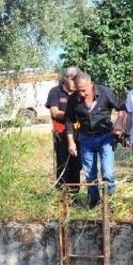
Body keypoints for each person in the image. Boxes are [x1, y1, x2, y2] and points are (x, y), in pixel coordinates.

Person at [65, 72, 126, 208]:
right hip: (86, 138)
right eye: (77, 90)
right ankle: (94, 202)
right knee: (90, 174)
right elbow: (69, 121)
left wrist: (119, 122)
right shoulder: (73, 99)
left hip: (105, 136)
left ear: (91, 84)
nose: (80, 94)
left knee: (107, 172)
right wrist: (71, 142)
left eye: (83, 90)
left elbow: (121, 107)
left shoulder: (105, 92)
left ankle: (110, 202)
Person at [45, 66, 82, 196]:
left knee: (76, 165)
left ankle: (75, 197)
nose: (76, 83)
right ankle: (62, 198)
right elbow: (54, 112)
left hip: (77, 134)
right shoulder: (55, 91)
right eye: (73, 80)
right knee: (63, 165)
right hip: (61, 134)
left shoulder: (80, 91)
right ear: (66, 78)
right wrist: (70, 115)